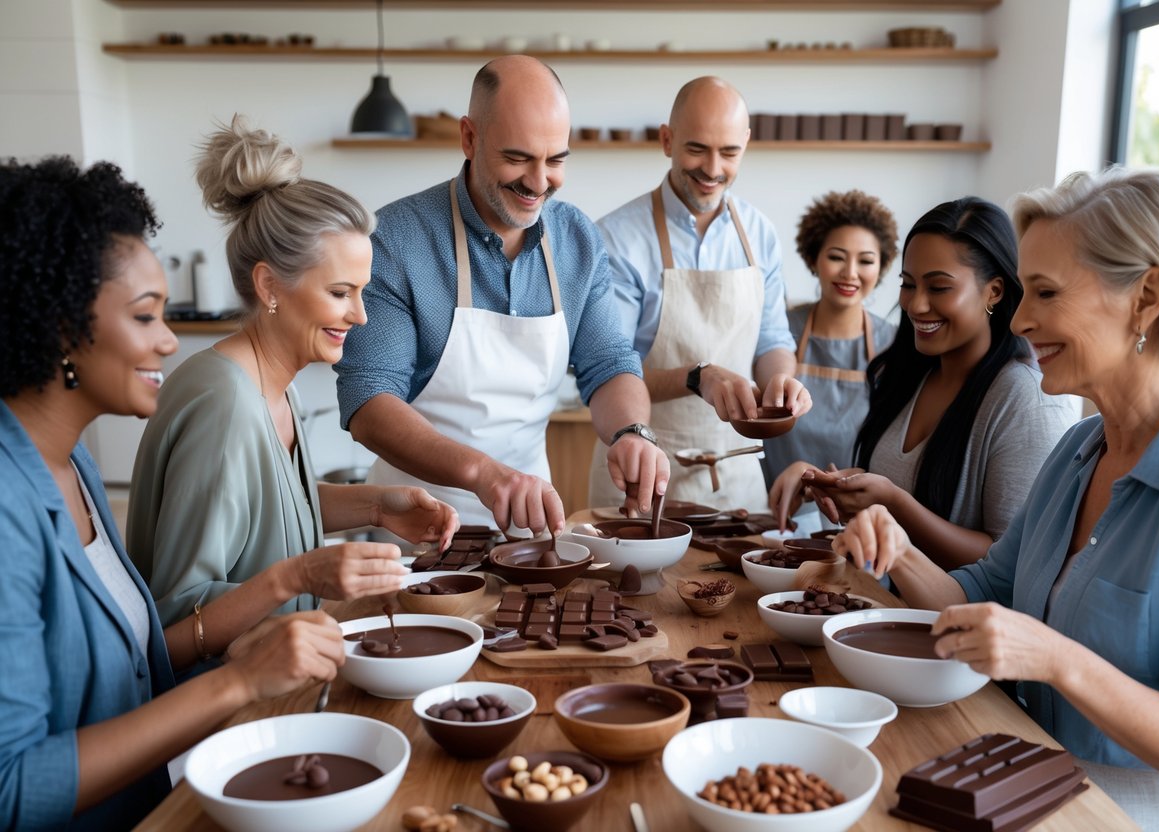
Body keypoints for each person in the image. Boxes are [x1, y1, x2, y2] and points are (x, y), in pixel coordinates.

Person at [831, 167, 1159, 829]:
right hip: (1022, 783)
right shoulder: (1076, 451)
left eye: (1044, 292)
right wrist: (897, 552)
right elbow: (982, 595)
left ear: (1146, 297)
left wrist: (1056, 658)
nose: (1021, 318)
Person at [0, 156, 345, 831]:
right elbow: (11, 789)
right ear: (62, 327)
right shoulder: (7, 505)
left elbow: (141, 657)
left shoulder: (71, 467)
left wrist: (249, 649)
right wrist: (238, 682)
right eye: (145, 316)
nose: (166, 342)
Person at [128, 116, 459, 632]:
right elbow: (179, 615)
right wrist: (304, 577)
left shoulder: (272, 386)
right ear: (269, 285)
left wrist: (377, 507)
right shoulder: (224, 405)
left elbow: (268, 508)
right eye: (339, 292)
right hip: (223, 700)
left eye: (362, 291)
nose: (361, 315)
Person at [335, 56, 669, 534]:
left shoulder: (577, 239)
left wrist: (631, 433)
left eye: (555, 160)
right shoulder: (396, 241)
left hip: (531, 529)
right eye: (517, 158)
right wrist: (483, 474)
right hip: (413, 529)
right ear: (470, 137)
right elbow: (369, 401)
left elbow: (609, 363)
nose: (538, 183)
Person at [773, 197, 1074, 567]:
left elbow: (1013, 562)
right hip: (884, 606)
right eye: (909, 284)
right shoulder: (913, 373)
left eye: (939, 287)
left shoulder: (1024, 399)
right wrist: (844, 487)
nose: (916, 305)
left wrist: (893, 503)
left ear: (993, 291)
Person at [590, 76, 811, 513]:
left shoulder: (759, 234)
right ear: (667, 140)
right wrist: (699, 376)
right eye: (697, 149)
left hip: (735, 475)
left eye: (729, 152)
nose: (713, 169)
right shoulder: (617, 238)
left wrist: (782, 381)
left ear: (746, 144)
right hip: (640, 470)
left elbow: (771, 340)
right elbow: (609, 370)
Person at [761, 190, 899, 525]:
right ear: (813, 259)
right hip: (778, 518)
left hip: (860, 522)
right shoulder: (777, 333)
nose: (850, 272)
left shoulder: (896, 345)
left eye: (866, 261)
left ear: (881, 268)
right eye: (837, 256)